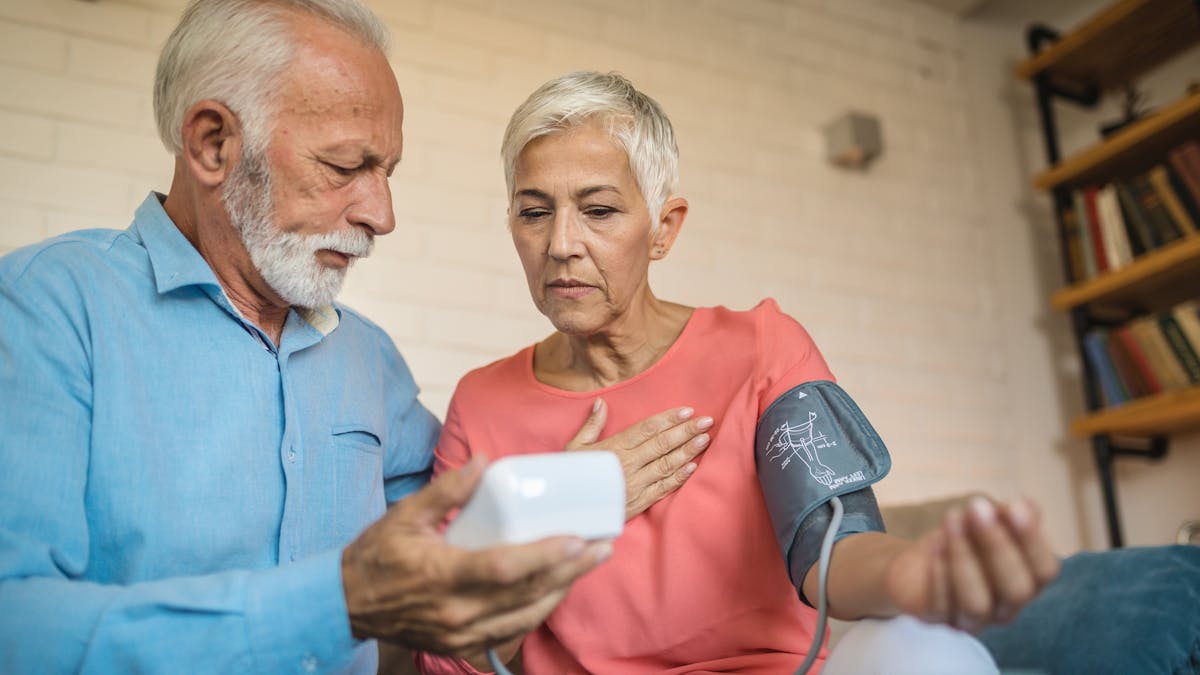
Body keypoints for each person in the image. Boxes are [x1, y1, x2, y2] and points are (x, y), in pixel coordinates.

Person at [0, 4, 710, 673]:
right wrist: (336, 602)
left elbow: (451, 551)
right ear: (212, 144)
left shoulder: (369, 359)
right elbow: (16, 627)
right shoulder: (48, 309)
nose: (382, 212)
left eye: (387, 172)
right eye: (345, 167)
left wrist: (569, 494)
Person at [416, 71, 1063, 674]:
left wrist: (913, 574)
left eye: (600, 210)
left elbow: (830, 543)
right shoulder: (483, 402)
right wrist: (557, 508)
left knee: (930, 650)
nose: (560, 243)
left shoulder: (760, 346)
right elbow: (448, 658)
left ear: (664, 229)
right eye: (533, 212)